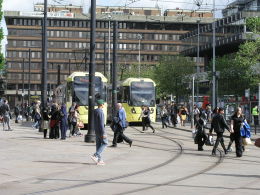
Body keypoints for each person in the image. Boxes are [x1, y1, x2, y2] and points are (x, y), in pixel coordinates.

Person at [91, 99, 108, 165]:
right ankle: (95, 155)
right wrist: (104, 133)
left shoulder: (95, 111)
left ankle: (99, 160)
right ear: (101, 104)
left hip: (97, 130)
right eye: (103, 103)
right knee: (105, 143)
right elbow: (101, 123)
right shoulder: (100, 112)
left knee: (98, 145)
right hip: (101, 131)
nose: (104, 105)